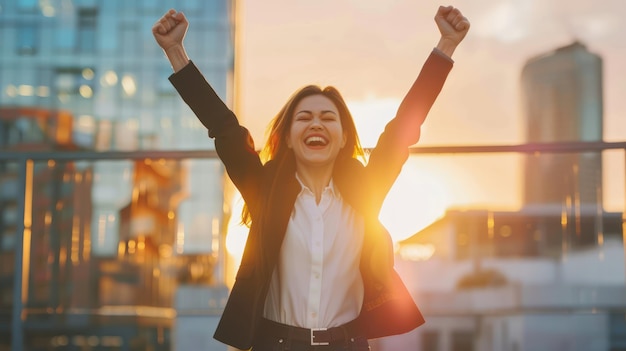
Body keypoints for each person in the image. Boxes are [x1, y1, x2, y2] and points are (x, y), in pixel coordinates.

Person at [153, 5, 469, 351]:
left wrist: (447, 45)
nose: (316, 124)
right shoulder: (265, 190)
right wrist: (175, 50)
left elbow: (402, 129)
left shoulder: (367, 189)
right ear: (288, 137)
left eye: (327, 118)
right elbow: (224, 129)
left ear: (345, 137)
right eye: (304, 118)